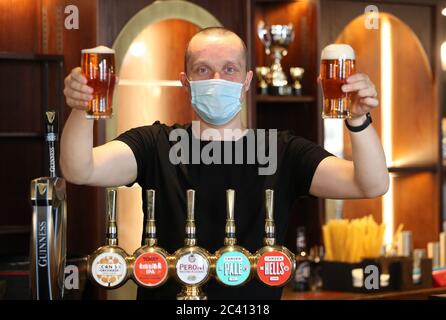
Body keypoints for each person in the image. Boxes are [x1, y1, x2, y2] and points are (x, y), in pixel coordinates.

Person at [60, 27, 389, 300]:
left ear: (246, 82)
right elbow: (79, 169)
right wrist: (81, 108)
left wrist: (358, 121)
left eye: (229, 69)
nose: (217, 78)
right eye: (203, 69)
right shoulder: (155, 144)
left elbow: (370, 184)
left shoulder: (282, 150)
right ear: (186, 82)